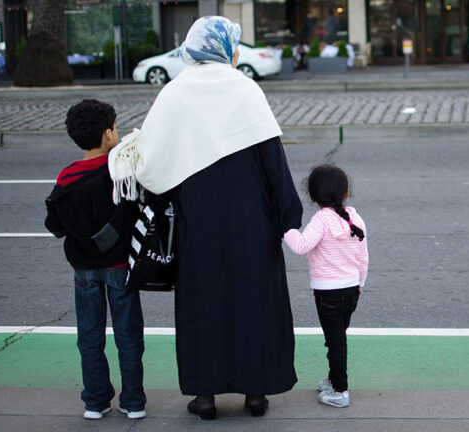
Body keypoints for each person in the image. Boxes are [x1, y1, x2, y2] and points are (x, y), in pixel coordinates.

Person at [108, 16, 303, 420]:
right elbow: (273, 160)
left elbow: (152, 166)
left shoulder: (175, 93)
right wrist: (287, 216)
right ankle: (255, 393)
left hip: (197, 222)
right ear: (226, 49)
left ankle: (205, 396)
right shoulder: (245, 89)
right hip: (253, 222)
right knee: (255, 304)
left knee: (203, 307)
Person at [45, 99, 146, 420]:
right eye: (115, 127)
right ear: (108, 134)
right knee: (129, 336)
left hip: (83, 269)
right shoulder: (120, 173)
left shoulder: (66, 177)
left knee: (89, 336)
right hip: (120, 267)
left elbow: (55, 225)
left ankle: (95, 401)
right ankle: (133, 402)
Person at [283, 164, 369, 408]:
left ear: (313, 196)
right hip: (352, 289)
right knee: (338, 338)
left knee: (335, 342)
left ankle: (340, 391)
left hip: (327, 293)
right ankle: (333, 379)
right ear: (346, 192)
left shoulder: (321, 220)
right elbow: (363, 255)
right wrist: (360, 282)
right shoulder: (355, 217)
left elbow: (300, 245)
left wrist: (286, 229)